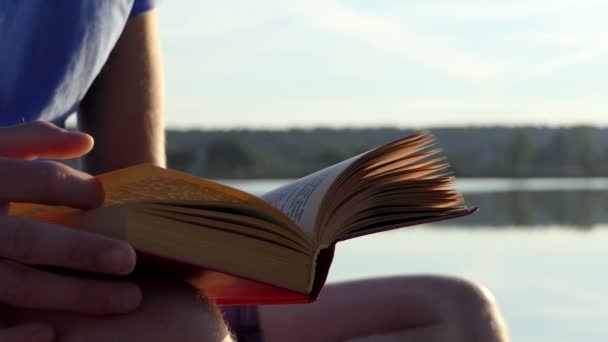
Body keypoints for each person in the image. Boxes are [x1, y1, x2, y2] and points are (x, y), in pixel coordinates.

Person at [0, 1, 509, 341]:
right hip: (26, 282)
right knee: (179, 330)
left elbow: (137, 189)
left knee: (453, 312)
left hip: (60, 267)